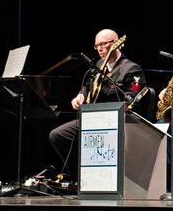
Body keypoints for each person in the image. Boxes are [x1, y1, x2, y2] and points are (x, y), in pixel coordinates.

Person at [48, 28, 146, 182]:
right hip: (93, 120)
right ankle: (80, 176)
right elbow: (87, 86)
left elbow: (132, 101)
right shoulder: (98, 65)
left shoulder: (131, 69)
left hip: (117, 122)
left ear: (116, 44)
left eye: (103, 44)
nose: (100, 49)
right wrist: (81, 95)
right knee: (57, 135)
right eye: (96, 46)